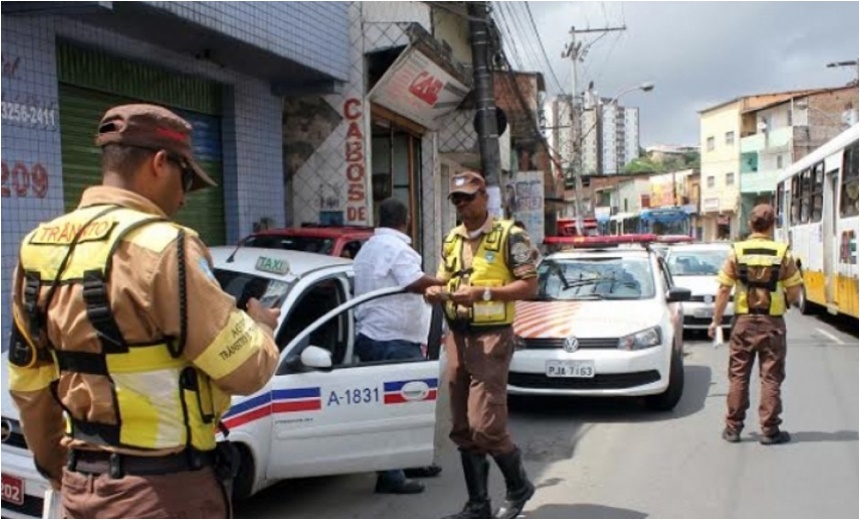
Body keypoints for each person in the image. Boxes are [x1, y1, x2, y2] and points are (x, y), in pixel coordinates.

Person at [7, 104, 281, 518]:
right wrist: (260, 327)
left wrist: (58, 469)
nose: (185, 196)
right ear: (158, 163)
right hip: (164, 492)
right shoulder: (165, 247)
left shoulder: (39, 246)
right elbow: (246, 369)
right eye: (185, 177)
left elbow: (29, 381)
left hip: (82, 489)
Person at [425, 171, 540, 519]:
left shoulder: (510, 235)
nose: (462, 204)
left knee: (485, 424)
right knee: (461, 427)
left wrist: (483, 294)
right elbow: (444, 279)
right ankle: (478, 505)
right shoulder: (451, 240)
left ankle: (519, 484)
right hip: (457, 334)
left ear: (484, 198)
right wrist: (435, 291)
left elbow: (529, 286)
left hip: (492, 337)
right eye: (456, 199)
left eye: (468, 197)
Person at [352, 198, 445, 494]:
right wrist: (447, 283)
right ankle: (391, 476)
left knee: (404, 410)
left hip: (374, 337)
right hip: (393, 341)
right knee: (396, 413)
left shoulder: (368, 249)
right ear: (406, 220)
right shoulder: (398, 249)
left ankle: (408, 461)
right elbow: (415, 283)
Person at [708, 203, 804, 446]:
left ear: (750, 224)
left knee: (738, 376)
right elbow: (794, 290)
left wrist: (716, 320)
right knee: (770, 378)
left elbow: (723, 289)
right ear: (773, 225)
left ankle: (732, 429)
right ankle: (770, 431)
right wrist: (782, 304)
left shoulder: (737, 251)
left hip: (743, 323)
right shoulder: (783, 253)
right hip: (772, 324)